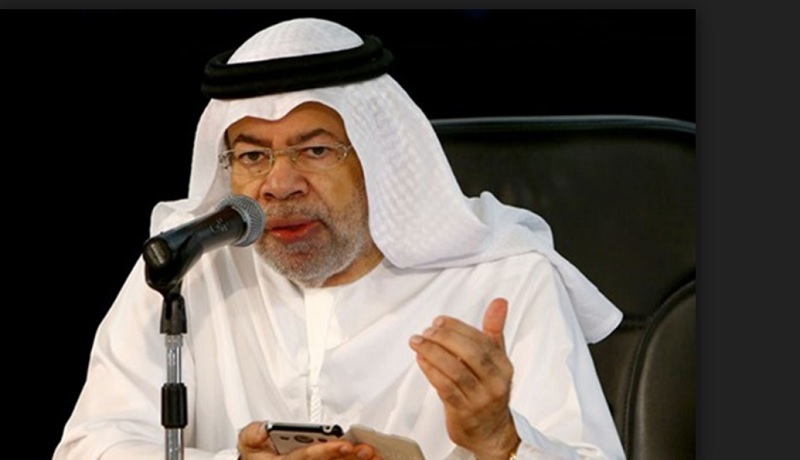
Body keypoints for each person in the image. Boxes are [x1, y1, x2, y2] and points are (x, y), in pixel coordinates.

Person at [53, 17, 626, 460]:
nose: (279, 184)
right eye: (252, 156)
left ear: (379, 161)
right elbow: (89, 446)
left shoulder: (506, 275)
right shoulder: (187, 267)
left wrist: (501, 441)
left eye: (316, 150)